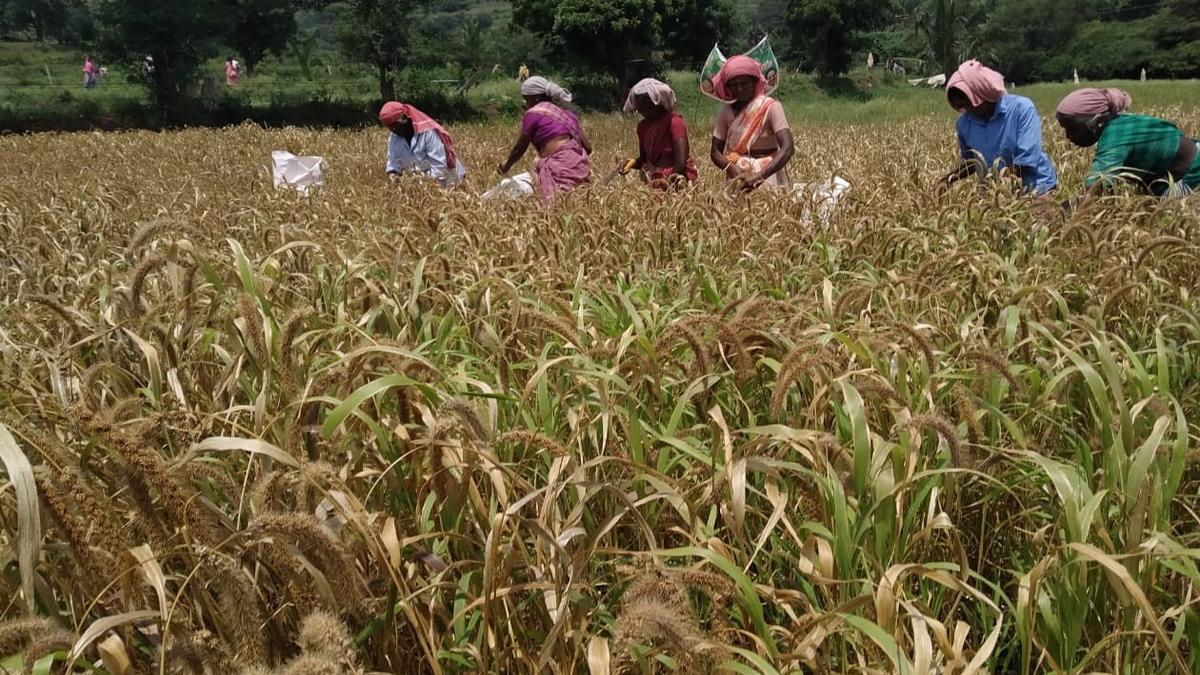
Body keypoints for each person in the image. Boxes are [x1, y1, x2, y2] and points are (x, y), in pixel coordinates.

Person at [937, 60, 1057, 196]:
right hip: (996, 195)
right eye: (961, 107)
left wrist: (997, 188)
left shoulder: (1020, 109)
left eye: (970, 104)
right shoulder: (964, 124)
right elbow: (973, 162)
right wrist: (949, 179)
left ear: (983, 94)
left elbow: (1026, 159)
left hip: (1035, 188)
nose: (968, 110)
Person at [1055, 88, 1198, 198]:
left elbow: (1093, 193)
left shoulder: (1115, 136)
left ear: (1097, 121)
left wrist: (1056, 214)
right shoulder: (1122, 122)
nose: (1068, 136)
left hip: (1193, 174)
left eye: (1072, 129)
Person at [497, 76, 593, 204]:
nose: (525, 103)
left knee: (556, 207)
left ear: (536, 98)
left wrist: (506, 166)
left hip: (559, 168)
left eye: (526, 99)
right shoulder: (568, 114)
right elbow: (588, 148)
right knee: (577, 204)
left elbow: (520, 147)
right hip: (578, 166)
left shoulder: (533, 113)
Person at [709, 55, 794, 192]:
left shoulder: (771, 107)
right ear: (728, 87)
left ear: (755, 82)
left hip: (768, 175)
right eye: (734, 85)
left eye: (744, 83)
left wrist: (760, 176)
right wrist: (731, 168)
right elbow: (715, 152)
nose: (740, 89)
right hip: (737, 177)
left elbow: (788, 147)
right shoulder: (725, 112)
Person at [619, 78, 697, 189]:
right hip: (654, 179)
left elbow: (681, 160)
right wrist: (630, 164)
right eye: (639, 104)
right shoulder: (642, 127)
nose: (642, 108)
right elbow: (644, 159)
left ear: (658, 101)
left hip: (677, 179)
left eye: (646, 102)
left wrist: (669, 184)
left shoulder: (674, 122)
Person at [379, 101, 467, 188]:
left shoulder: (428, 133)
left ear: (404, 119)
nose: (392, 130)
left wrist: (415, 182)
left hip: (449, 182)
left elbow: (439, 168)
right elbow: (393, 163)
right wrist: (393, 176)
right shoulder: (394, 138)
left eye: (394, 125)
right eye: (389, 127)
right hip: (422, 186)